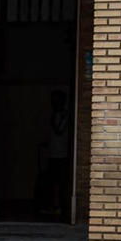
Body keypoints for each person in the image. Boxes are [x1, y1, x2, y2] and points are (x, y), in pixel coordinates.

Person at [46, 90, 71, 221]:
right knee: (53, 181)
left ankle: (59, 206)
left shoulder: (64, 115)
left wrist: (52, 122)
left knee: (60, 181)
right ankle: (54, 205)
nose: (54, 103)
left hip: (62, 154)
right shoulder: (54, 114)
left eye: (56, 100)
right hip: (53, 153)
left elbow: (59, 131)